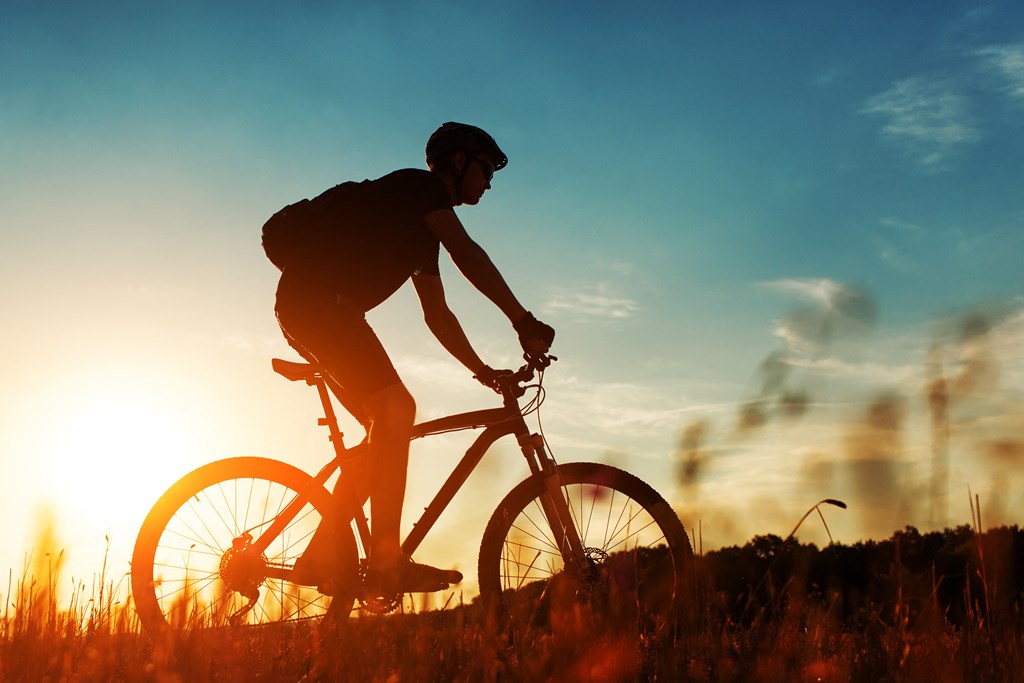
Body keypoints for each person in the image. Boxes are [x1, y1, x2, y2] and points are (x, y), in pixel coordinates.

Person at [271, 122, 555, 595]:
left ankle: (321, 556)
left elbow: (437, 314)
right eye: (486, 170)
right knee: (397, 409)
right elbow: (467, 252)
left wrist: (483, 371)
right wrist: (521, 319)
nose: (489, 182)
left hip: (318, 308)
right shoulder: (419, 188)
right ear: (459, 162)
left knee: (382, 429)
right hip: (319, 306)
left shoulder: (421, 232)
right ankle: (386, 561)